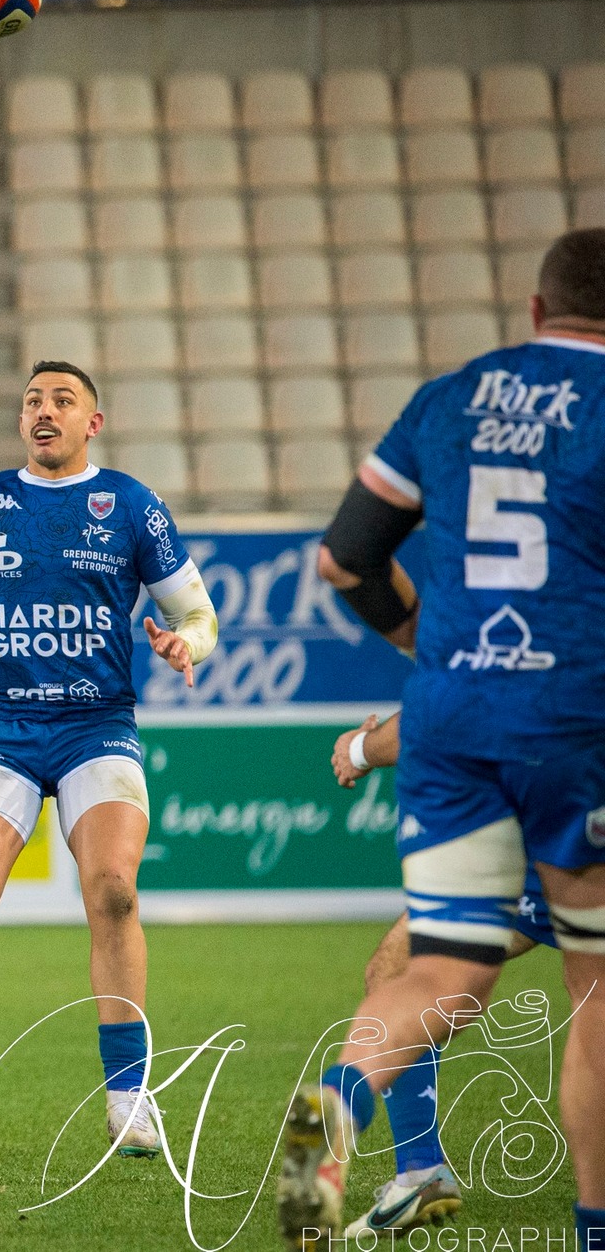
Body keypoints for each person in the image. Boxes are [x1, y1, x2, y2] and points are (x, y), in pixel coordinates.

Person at [277, 228, 605, 1251]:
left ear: (532, 311)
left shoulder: (450, 396)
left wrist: (427, 643)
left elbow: (342, 560)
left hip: (455, 716)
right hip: (578, 717)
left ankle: (323, 1131)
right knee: (593, 985)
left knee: (432, 969)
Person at [0, 362, 219, 1180]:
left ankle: (130, 1093)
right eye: (33, 399)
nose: (44, 410)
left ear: (92, 422)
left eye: (63, 400)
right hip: (1, 724)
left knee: (114, 889)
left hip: (97, 724)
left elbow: (198, 613)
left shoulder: (132, 505)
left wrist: (185, 643)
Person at [326, 711, 557, 1235]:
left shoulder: (478, 635)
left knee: (412, 979)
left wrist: (361, 748)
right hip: (545, 816)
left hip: (555, 809)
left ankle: (344, 1105)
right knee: (398, 969)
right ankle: (420, 1169)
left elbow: (447, 708)